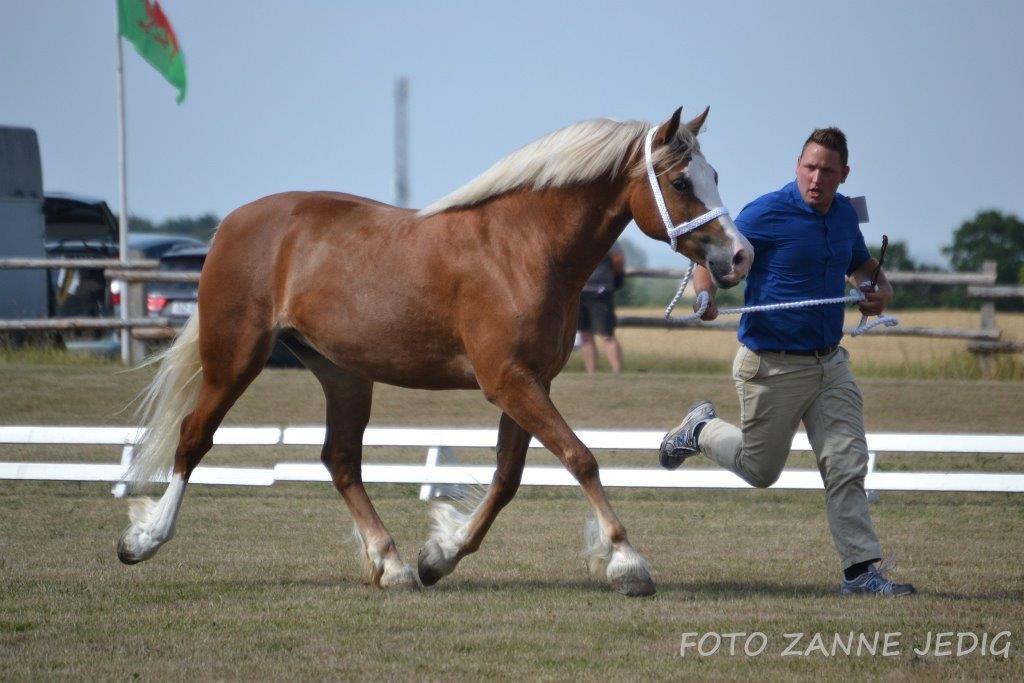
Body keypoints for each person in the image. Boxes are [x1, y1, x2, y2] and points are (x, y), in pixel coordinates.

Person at [659, 127, 915, 597]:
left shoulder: (842, 215)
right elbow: (712, 256)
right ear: (797, 166)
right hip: (771, 366)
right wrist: (703, 296)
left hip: (829, 364)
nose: (816, 179)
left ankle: (860, 573)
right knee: (761, 471)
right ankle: (698, 430)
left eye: (827, 171)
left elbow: (860, 265)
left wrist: (877, 289)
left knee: (845, 464)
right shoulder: (765, 212)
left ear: (844, 175)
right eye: (810, 167)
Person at [578, 241, 625, 374]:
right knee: (585, 334)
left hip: (600, 291)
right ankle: (591, 373)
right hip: (580, 291)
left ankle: (617, 372)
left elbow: (618, 259)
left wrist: (609, 277)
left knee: (607, 334)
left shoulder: (607, 237)